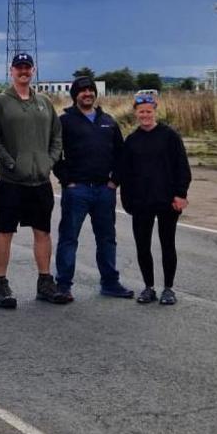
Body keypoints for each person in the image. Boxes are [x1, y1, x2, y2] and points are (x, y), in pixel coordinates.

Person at [0, 52, 66, 307]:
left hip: (40, 181)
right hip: (11, 182)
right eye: (19, 67)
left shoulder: (44, 102)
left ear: (33, 70)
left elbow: (57, 136)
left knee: (43, 231)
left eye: (27, 67)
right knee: (5, 231)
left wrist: (49, 161)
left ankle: (45, 282)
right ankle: (1, 284)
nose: (23, 71)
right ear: (11, 70)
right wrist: (10, 163)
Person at [53, 76, 134, 301]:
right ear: (75, 95)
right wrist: (66, 179)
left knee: (107, 239)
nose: (87, 94)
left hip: (103, 191)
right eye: (82, 91)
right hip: (76, 190)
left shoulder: (108, 120)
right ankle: (63, 286)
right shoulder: (65, 122)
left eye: (90, 90)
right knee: (69, 238)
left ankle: (110, 283)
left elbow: (121, 154)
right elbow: (54, 152)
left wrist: (114, 182)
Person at [118, 93, 192, 305]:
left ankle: (168, 288)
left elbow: (182, 168)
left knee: (167, 244)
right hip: (141, 203)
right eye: (141, 112)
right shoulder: (132, 141)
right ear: (136, 114)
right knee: (143, 246)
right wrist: (127, 201)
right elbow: (126, 173)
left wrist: (181, 194)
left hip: (167, 201)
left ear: (154, 111)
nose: (145, 115)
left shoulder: (170, 136)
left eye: (148, 111)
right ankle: (148, 287)